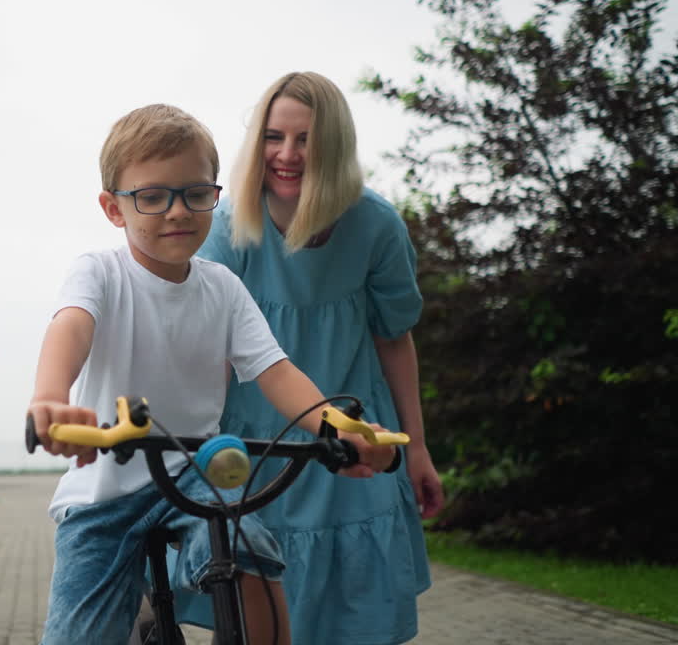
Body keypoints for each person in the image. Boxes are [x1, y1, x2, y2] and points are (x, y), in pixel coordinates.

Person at [27, 103, 400, 645]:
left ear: (213, 195)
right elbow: (71, 329)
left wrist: (336, 427)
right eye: (152, 197)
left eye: (195, 193)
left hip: (193, 473)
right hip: (103, 488)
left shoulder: (222, 286)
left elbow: (276, 371)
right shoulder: (100, 273)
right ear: (114, 208)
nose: (177, 211)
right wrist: (49, 399)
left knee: (249, 550)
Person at [174, 72, 446, 644]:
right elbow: (209, 352)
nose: (288, 155)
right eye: (274, 137)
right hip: (258, 448)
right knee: (257, 617)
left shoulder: (376, 226)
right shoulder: (228, 229)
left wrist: (416, 446)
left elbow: (393, 338)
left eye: (306, 140)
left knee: (359, 619)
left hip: (352, 438)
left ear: (335, 145)